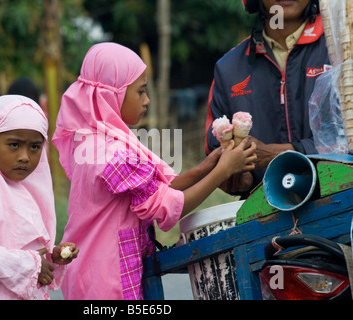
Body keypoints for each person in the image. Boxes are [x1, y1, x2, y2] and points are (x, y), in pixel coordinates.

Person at [52, 42, 256, 300]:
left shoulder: (97, 140)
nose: (147, 100)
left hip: (93, 273)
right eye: (140, 91)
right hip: (106, 282)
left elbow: (159, 187)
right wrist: (223, 171)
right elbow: (167, 207)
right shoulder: (111, 155)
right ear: (110, 95)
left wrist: (208, 167)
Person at [0, 95, 78, 300]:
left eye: (35, 147)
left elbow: (27, 249)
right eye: (14, 145)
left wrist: (53, 256)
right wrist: (31, 264)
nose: (24, 156)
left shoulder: (29, 192)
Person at [205, 0, 328, 197]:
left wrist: (278, 155)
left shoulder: (342, 47)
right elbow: (214, 152)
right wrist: (243, 179)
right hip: (266, 215)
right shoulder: (228, 68)